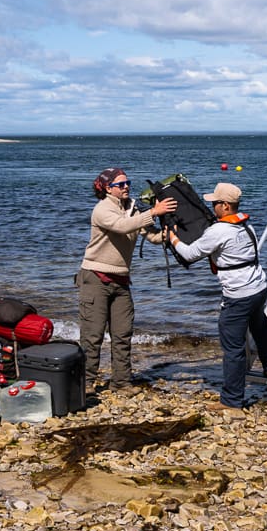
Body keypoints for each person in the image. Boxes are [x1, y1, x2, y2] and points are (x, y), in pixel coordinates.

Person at [168, 182, 267, 412]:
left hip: (238, 295)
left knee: (233, 348)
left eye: (215, 203)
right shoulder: (247, 226)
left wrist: (173, 239)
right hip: (258, 288)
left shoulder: (219, 231)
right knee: (260, 328)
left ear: (226, 206)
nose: (212, 207)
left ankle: (231, 401)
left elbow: (190, 254)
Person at [78, 167, 177, 392]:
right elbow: (122, 227)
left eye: (127, 183)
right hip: (95, 277)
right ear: (106, 188)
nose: (126, 187)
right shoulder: (102, 209)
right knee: (92, 336)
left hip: (121, 280)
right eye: (120, 184)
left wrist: (170, 235)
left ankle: (121, 382)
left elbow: (150, 235)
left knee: (123, 334)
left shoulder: (132, 208)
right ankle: (86, 382)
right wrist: (154, 211)